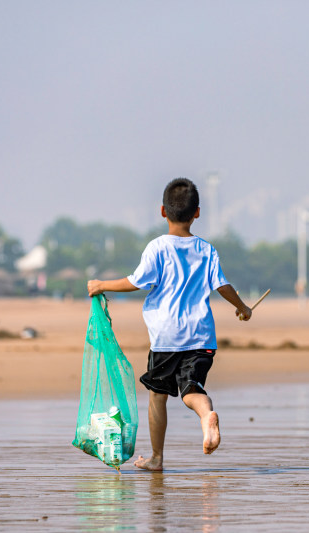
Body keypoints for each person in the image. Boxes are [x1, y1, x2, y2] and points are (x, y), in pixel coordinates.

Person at [87, 177, 252, 472]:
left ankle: (157, 458)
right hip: (201, 337)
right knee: (192, 388)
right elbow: (222, 286)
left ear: (163, 211)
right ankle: (207, 417)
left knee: (157, 397)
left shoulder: (157, 248)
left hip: (166, 338)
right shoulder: (206, 249)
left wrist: (101, 284)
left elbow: (135, 282)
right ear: (197, 213)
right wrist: (242, 308)